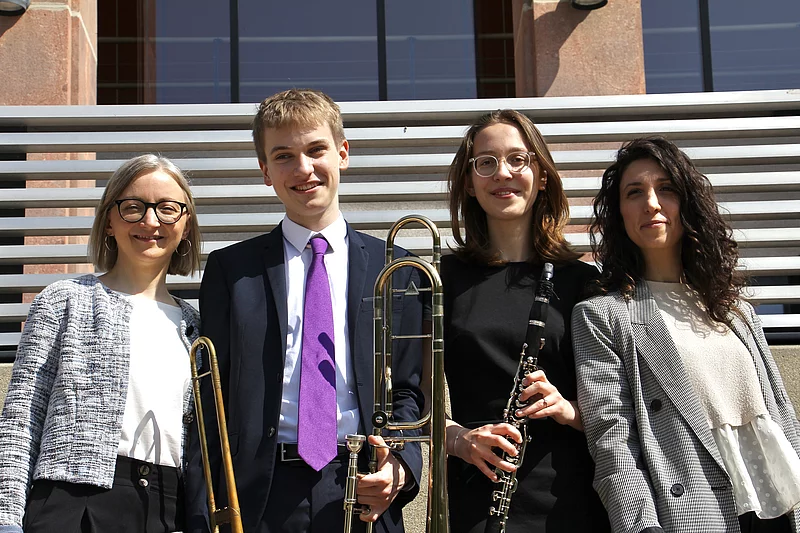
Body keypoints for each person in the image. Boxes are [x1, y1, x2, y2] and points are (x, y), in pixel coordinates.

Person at [185, 88, 425, 533]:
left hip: (362, 484)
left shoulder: (397, 269)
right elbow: (210, 401)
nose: (303, 168)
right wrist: (204, 512)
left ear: (343, 153)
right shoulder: (231, 271)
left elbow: (409, 391)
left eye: (316, 150)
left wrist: (402, 464)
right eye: (283, 156)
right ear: (265, 171)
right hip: (260, 496)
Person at [572, 136, 800, 533]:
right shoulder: (602, 316)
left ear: (688, 203)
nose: (652, 203)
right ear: (619, 213)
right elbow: (613, 439)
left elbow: (782, 414)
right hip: (693, 511)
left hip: (780, 501)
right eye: (634, 192)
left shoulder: (736, 312)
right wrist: (640, 526)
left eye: (666, 189)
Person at [0, 154, 202, 533]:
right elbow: (23, 418)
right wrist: (6, 518)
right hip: (73, 503)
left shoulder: (197, 327)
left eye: (167, 208)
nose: (150, 221)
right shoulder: (64, 300)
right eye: (133, 207)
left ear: (185, 224)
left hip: (167, 507)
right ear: (109, 220)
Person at [441, 109, 610, 532]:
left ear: (543, 176)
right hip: (478, 497)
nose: (503, 173)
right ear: (469, 182)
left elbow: (621, 407)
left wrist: (568, 408)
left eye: (518, 159)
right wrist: (459, 440)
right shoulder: (442, 279)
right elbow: (412, 404)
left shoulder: (584, 282)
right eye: (486, 162)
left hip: (572, 502)